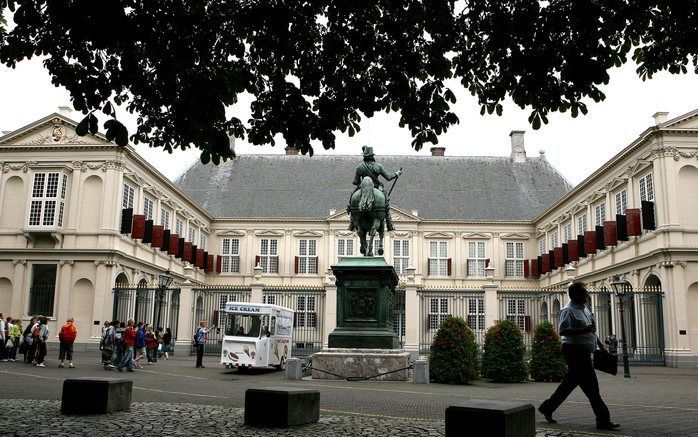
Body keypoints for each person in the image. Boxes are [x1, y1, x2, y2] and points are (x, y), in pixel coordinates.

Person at [539, 282, 620, 430]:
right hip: (573, 351)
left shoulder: (585, 309)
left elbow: (592, 330)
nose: (587, 295)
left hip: (582, 351)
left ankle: (548, 407)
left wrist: (600, 346)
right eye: (584, 293)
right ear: (575, 295)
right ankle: (603, 419)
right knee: (592, 387)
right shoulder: (567, 310)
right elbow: (563, 331)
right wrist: (584, 330)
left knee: (569, 384)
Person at [347, 146, 402, 232]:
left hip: (362, 188)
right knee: (386, 203)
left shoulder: (359, 167)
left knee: (351, 200)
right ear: (372, 156)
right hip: (377, 188)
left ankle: (351, 223)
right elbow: (388, 177)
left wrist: (361, 186)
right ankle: (389, 223)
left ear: (364, 156)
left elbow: (356, 181)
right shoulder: (378, 166)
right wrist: (397, 174)